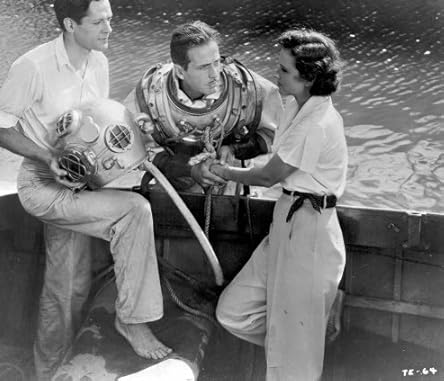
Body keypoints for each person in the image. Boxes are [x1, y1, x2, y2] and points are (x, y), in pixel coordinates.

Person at [0, 0, 171, 380]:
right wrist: (47, 155)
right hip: (41, 184)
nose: (109, 29)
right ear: (70, 25)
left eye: (110, 18)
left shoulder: (98, 61)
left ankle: (48, 371)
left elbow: (96, 123)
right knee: (134, 213)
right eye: (99, 22)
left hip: (81, 181)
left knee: (68, 284)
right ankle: (132, 321)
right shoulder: (32, 67)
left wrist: (133, 133)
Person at [213, 28, 347, 380]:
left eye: (285, 70)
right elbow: (272, 148)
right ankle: (313, 326)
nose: (277, 75)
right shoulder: (294, 107)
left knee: (296, 359)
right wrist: (233, 149)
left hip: (310, 230)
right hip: (287, 218)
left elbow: (269, 175)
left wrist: (220, 171)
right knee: (234, 312)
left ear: (309, 78)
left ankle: (308, 335)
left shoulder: (316, 122)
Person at [123, 20, 283, 193]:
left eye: (217, 62)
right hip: (172, 188)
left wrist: (234, 149)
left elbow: (274, 134)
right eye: (204, 67)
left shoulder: (248, 88)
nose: (215, 74)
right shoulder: (149, 96)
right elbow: (132, 151)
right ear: (179, 71)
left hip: (231, 184)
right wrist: (188, 169)